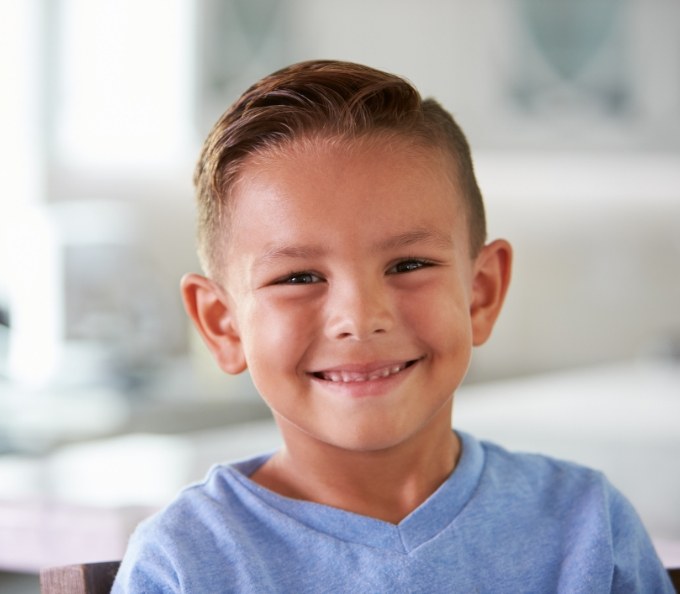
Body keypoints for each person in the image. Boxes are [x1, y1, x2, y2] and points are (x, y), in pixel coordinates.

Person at [112, 60, 673, 592]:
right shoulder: (185, 561)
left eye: (408, 266)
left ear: (481, 293)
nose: (359, 319)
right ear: (223, 325)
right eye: (300, 276)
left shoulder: (588, 527)